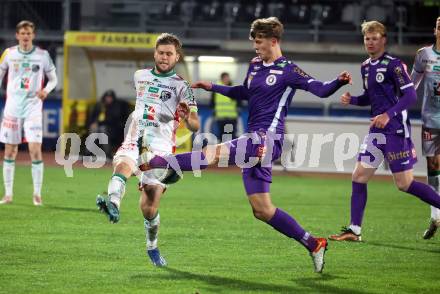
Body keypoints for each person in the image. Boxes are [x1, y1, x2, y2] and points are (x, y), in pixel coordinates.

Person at [139, 17, 351, 273]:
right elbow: (245, 92)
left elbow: (321, 89)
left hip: (268, 139)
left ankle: (158, 162)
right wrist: (214, 86)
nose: (255, 47)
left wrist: (338, 82)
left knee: (214, 153)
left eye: (259, 42)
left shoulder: (289, 70)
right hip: (254, 138)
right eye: (254, 42)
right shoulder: (255, 65)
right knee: (262, 210)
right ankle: (314, 243)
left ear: (274, 41)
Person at [329, 20, 440, 242]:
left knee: (404, 184)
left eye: (375, 38)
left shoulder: (394, 65)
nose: (370, 42)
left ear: (384, 39)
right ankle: (355, 230)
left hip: (396, 130)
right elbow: (370, 97)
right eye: (367, 38)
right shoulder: (365, 66)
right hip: (376, 132)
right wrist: (352, 100)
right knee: (359, 176)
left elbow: (410, 96)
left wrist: (388, 115)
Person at [96, 33, 200, 266]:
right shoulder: (140, 76)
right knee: (123, 164)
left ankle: (152, 246)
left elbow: (195, 124)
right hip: (136, 138)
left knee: (148, 207)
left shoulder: (182, 86)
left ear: (177, 57)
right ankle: (113, 203)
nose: (164, 57)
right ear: (155, 53)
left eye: (169, 54)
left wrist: (186, 117)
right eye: (161, 53)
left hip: (160, 150)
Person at [0, 20, 57, 206]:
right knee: (10, 151)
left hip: (33, 107)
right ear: (17, 35)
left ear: (33, 35)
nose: (25, 36)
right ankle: (8, 195)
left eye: (29, 33)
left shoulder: (42, 55)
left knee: (35, 150)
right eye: (22, 33)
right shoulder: (8, 54)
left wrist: (46, 91)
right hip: (12, 108)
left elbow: (53, 79)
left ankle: (37, 195)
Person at [411, 16, 440, 239]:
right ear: (435, 30)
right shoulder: (424, 55)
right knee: (433, 167)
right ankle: (435, 215)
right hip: (430, 119)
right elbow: (412, 86)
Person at [87, 89, 130, 159]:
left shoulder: (116, 107)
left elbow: (112, 120)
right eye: (107, 97)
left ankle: (107, 153)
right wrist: (93, 123)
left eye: (110, 97)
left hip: (113, 128)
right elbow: (93, 117)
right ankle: (88, 152)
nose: (108, 99)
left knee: (102, 129)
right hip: (100, 126)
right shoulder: (100, 105)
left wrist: (98, 123)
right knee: (93, 129)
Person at [210, 72, 240, 140]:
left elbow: (239, 100)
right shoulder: (216, 88)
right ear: (222, 79)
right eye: (226, 78)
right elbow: (212, 102)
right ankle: (222, 150)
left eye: (228, 78)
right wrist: (214, 111)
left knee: (232, 136)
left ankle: (231, 150)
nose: (227, 79)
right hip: (221, 117)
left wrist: (238, 108)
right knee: (222, 135)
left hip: (232, 117)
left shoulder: (234, 88)